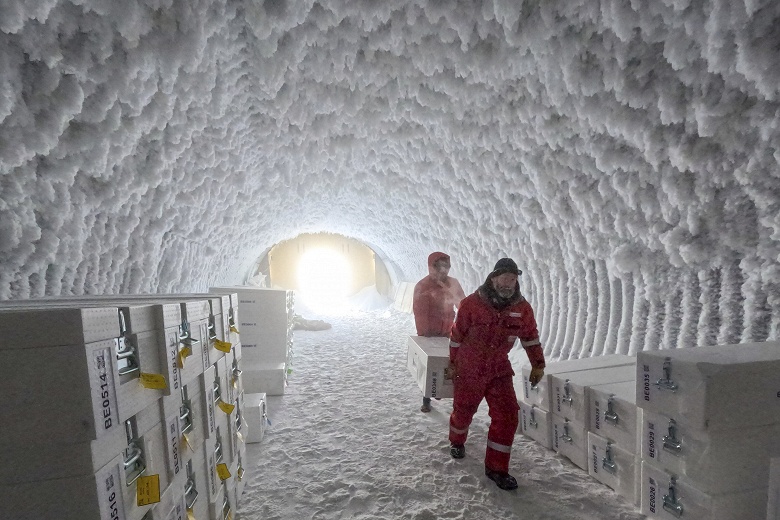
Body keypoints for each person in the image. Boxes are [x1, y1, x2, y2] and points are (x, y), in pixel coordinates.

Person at [446, 258, 545, 491]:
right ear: (493, 278)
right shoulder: (472, 303)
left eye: (513, 279)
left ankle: (496, 469)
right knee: (464, 410)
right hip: (470, 367)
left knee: (508, 415)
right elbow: (457, 335)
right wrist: (452, 363)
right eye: (504, 278)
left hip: (498, 369)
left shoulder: (522, 309)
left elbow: (530, 337)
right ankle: (457, 440)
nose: (508, 283)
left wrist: (538, 364)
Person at [412, 251, 466, 413]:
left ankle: (449, 395)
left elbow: (463, 305)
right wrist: (424, 334)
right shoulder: (423, 286)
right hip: (430, 333)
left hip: (449, 331)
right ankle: (426, 398)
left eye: (446, 266)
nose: (443, 271)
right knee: (430, 366)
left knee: (451, 364)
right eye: (439, 267)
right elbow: (420, 313)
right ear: (432, 267)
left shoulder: (453, 284)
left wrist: (463, 326)